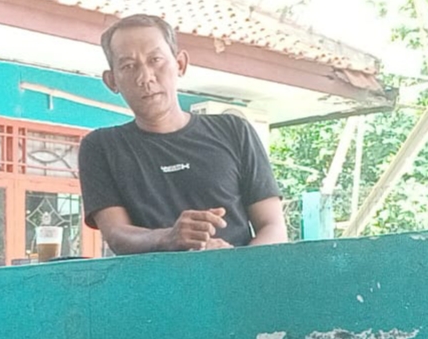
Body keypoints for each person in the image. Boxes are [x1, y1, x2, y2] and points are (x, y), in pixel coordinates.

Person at [78, 14, 288, 254]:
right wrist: (169, 237)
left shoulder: (234, 131)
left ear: (180, 64)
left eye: (155, 60)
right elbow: (116, 234)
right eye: (128, 66)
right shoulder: (101, 147)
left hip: (237, 275)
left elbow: (273, 227)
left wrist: (234, 264)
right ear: (112, 80)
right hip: (154, 279)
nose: (145, 77)